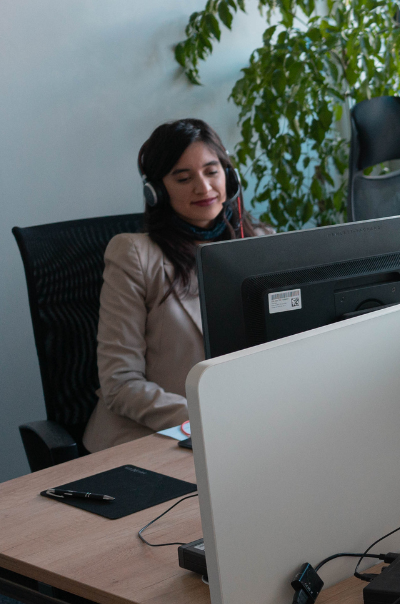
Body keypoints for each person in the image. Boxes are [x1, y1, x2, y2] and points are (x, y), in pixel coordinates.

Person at [83, 119, 270, 452]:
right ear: (156, 191)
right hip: (157, 437)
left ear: (230, 177)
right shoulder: (133, 255)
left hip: (247, 430)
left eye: (212, 172)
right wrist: (211, 419)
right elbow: (120, 383)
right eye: (183, 178)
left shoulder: (263, 244)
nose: (203, 187)